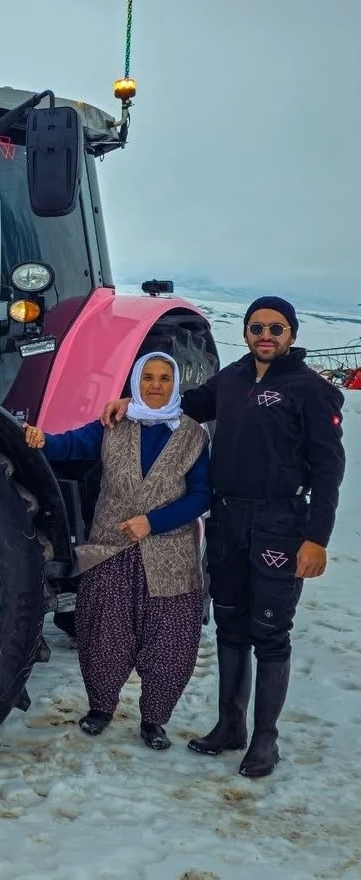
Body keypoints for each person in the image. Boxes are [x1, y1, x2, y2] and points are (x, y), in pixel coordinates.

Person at [100, 295, 347, 777]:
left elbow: (328, 469)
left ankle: (265, 740)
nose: (266, 336)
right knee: (231, 626)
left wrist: (317, 537)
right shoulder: (232, 379)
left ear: (292, 334)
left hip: (280, 523)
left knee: (270, 632)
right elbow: (181, 404)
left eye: (276, 328)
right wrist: (132, 402)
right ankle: (230, 725)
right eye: (257, 328)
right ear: (246, 333)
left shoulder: (309, 389)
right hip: (228, 520)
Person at [24, 351, 212, 750]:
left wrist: (154, 522)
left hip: (169, 554)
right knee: (102, 633)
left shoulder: (193, 434)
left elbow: (201, 496)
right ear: (135, 383)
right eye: (148, 378)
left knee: (169, 640)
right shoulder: (115, 423)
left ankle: (154, 721)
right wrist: (41, 439)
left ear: (175, 384)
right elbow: (71, 445)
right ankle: (101, 708)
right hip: (111, 548)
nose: (156, 386)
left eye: (164, 378)